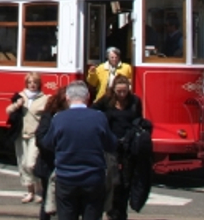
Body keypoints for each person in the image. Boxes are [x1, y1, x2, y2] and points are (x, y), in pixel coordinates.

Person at [43, 80, 117, 220]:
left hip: (66, 178)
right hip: (93, 178)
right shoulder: (99, 117)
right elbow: (111, 144)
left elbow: (48, 143)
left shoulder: (59, 118)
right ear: (88, 97)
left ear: (67, 98)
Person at [93, 76, 143, 220]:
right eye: (119, 91)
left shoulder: (134, 101)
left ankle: (122, 213)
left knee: (126, 183)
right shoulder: (107, 100)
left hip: (128, 146)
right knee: (113, 181)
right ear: (114, 89)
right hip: (111, 145)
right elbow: (94, 111)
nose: (122, 95)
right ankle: (111, 212)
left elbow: (138, 120)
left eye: (124, 91)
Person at [6, 72, 49, 204]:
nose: (32, 85)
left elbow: (48, 116)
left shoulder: (45, 98)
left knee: (31, 164)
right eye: (30, 83)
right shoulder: (20, 96)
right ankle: (30, 191)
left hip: (35, 135)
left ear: (39, 84)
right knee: (23, 164)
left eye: (35, 83)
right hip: (20, 134)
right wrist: (17, 105)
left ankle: (39, 190)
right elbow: (8, 111)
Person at [35, 86, 68, 220]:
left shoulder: (74, 114)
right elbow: (40, 138)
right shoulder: (49, 113)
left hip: (65, 164)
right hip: (48, 163)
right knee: (46, 201)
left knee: (65, 203)